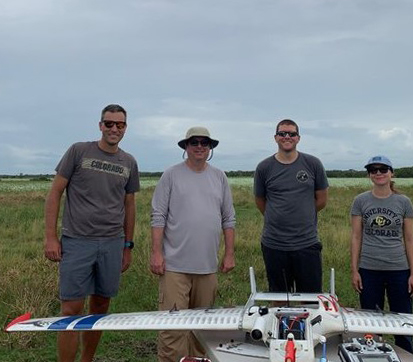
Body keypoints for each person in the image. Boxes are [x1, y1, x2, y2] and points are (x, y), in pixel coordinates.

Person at [44, 104, 140, 362]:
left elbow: (129, 205)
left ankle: (87, 358)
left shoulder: (128, 162)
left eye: (119, 125)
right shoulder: (78, 151)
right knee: (71, 310)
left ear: (125, 128)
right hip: (77, 241)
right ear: (100, 125)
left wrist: (127, 245)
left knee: (100, 307)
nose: (114, 129)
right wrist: (51, 237)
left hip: (112, 243)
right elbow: (55, 193)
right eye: (109, 123)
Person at [150, 126, 236, 362]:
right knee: (172, 329)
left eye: (204, 143)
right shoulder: (171, 175)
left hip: (207, 267)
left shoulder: (219, 177)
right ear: (185, 147)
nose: (199, 146)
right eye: (194, 142)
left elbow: (228, 218)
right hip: (175, 266)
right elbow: (158, 216)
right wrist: (156, 254)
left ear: (210, 148)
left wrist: (229, 254)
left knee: (201, 330)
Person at [350, 155, 413, 354]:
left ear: (391, 173)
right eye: (374, 170)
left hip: (399, 269)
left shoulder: (403, 202)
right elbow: (356, 237)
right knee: (371, 322)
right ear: (369, 175)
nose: (378, 173)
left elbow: (410, 239)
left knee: (402, 323)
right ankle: (373, 355)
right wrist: (355, 270)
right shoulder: (360, 201)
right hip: (369, 269)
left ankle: (405, 356)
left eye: (383, 169)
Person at [254, 119, 329, 293]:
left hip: (307, 243)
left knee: (310, 298)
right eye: (282, 133)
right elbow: (260, 201)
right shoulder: (264, 167)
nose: (287, 137)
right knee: (279, 297)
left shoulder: (313, 164)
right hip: (274, 244)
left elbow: (322, 199)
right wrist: (277, 215)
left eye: (291, 134)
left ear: (298, 138)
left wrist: (303, 214)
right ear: (275, 137)